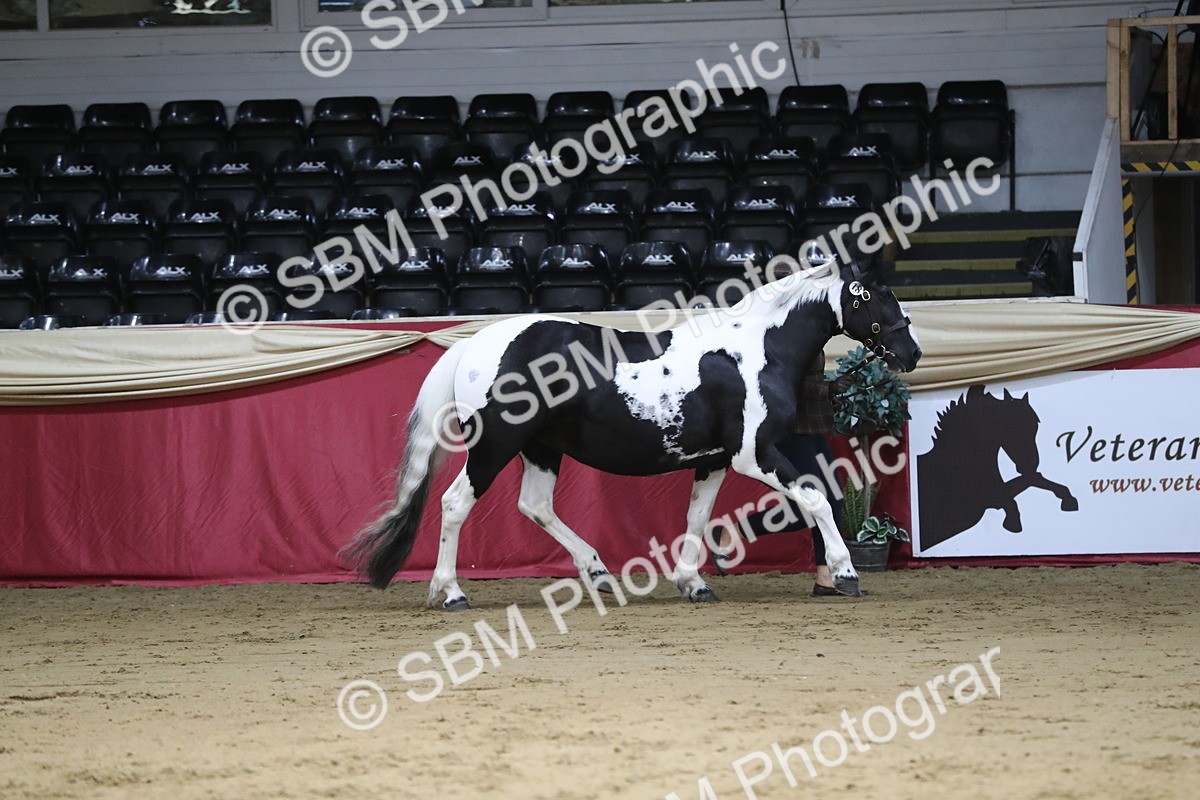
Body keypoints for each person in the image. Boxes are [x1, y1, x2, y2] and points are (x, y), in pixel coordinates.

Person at [710, 354, 866, 597]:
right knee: (808, 505)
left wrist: (830, 393)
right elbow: (782, 378)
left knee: (832, 499)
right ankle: (733, 531)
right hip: (787, 428)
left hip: (809, 426)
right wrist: (827, 389)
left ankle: (826, 579)